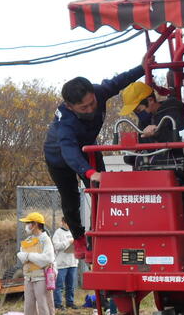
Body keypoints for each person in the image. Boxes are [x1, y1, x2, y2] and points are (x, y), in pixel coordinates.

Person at [43, 63, 146, 259]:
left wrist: (143, 67)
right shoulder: (66, 123)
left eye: (92, 103)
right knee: (71, 198)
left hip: (88, 147)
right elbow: (69, 151)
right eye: (84, 108)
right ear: (70, 106)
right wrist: (90, 173)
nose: (91, 109)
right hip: (59, 157)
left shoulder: (100, 92)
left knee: (102, 189)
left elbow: (120, 80)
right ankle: (79, 238)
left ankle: (101, 231)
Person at [17, 212, 56, 315]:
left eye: (28, 223)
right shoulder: (28, 239)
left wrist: (29, 256)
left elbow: (47, 258)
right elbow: (21, 254)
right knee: (28, 304)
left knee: (43, 303)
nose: (26, 225)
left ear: (35, 224)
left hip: (41, 276)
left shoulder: (45, 239)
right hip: (28, 276)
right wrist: (27, 257)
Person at [52, 216, 78, 310]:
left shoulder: (73, 231)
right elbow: (56, 246)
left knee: (71, 285)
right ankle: (58, 303)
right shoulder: (58, 233)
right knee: (59, 285)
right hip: (61, 264)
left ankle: (70, 302)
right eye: (68, 223)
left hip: (72, 262)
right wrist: (68, 242)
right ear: (63, 222)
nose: (69, 225)